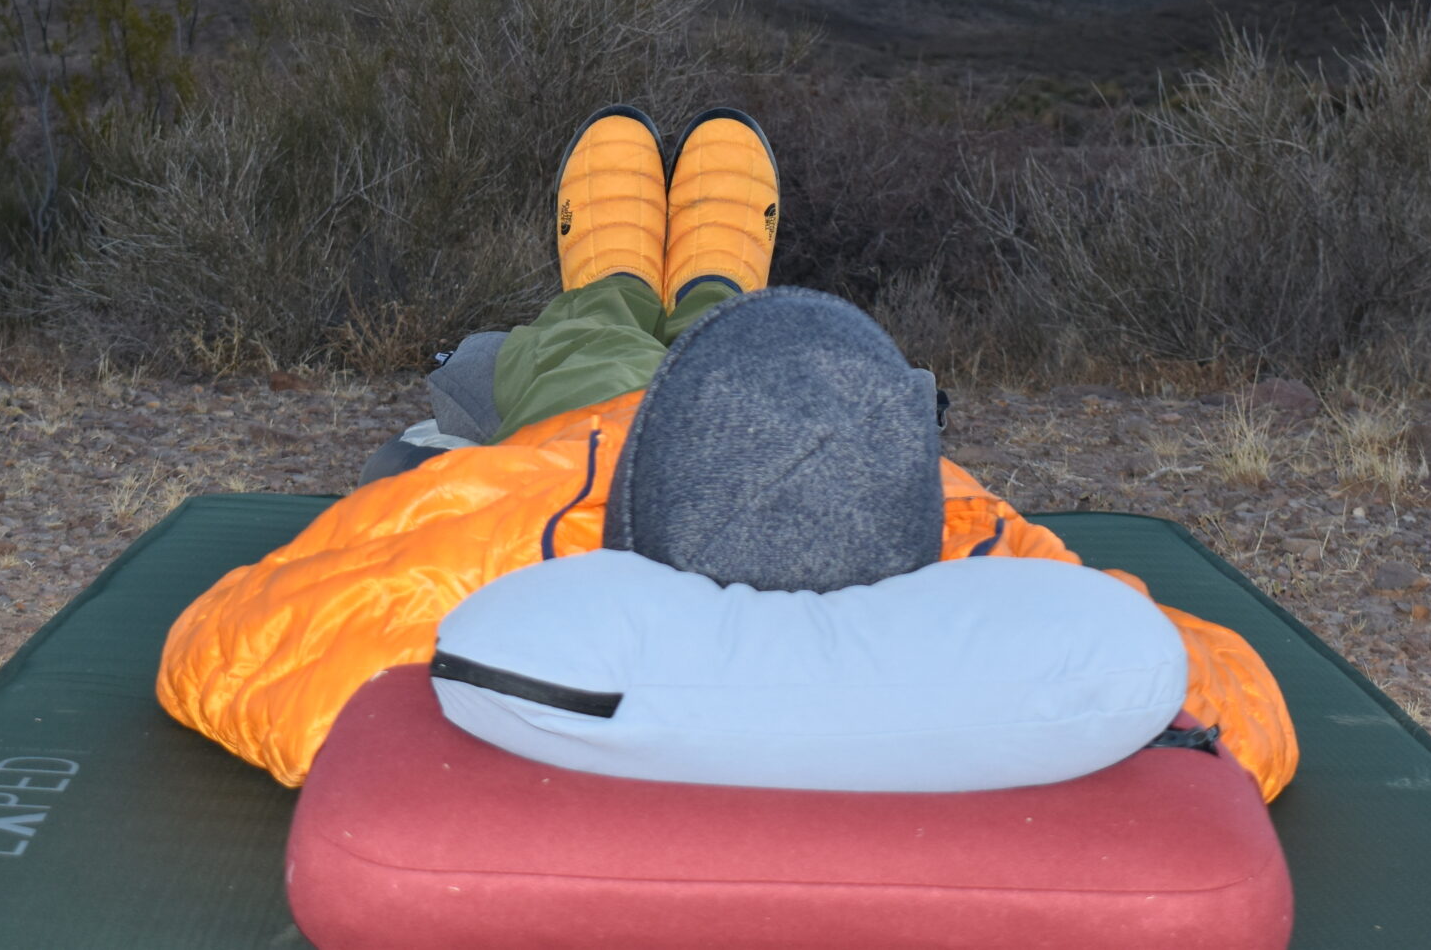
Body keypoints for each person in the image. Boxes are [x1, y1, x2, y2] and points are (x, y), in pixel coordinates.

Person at [157, 106, 1298, 798]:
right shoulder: (966, 548)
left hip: (588, 435)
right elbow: (1226, 700)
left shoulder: (525, 548)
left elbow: (234, 641)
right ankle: (715, 283)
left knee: (592, 330)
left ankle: (620, 269)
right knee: (739, 328)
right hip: (824, 409)